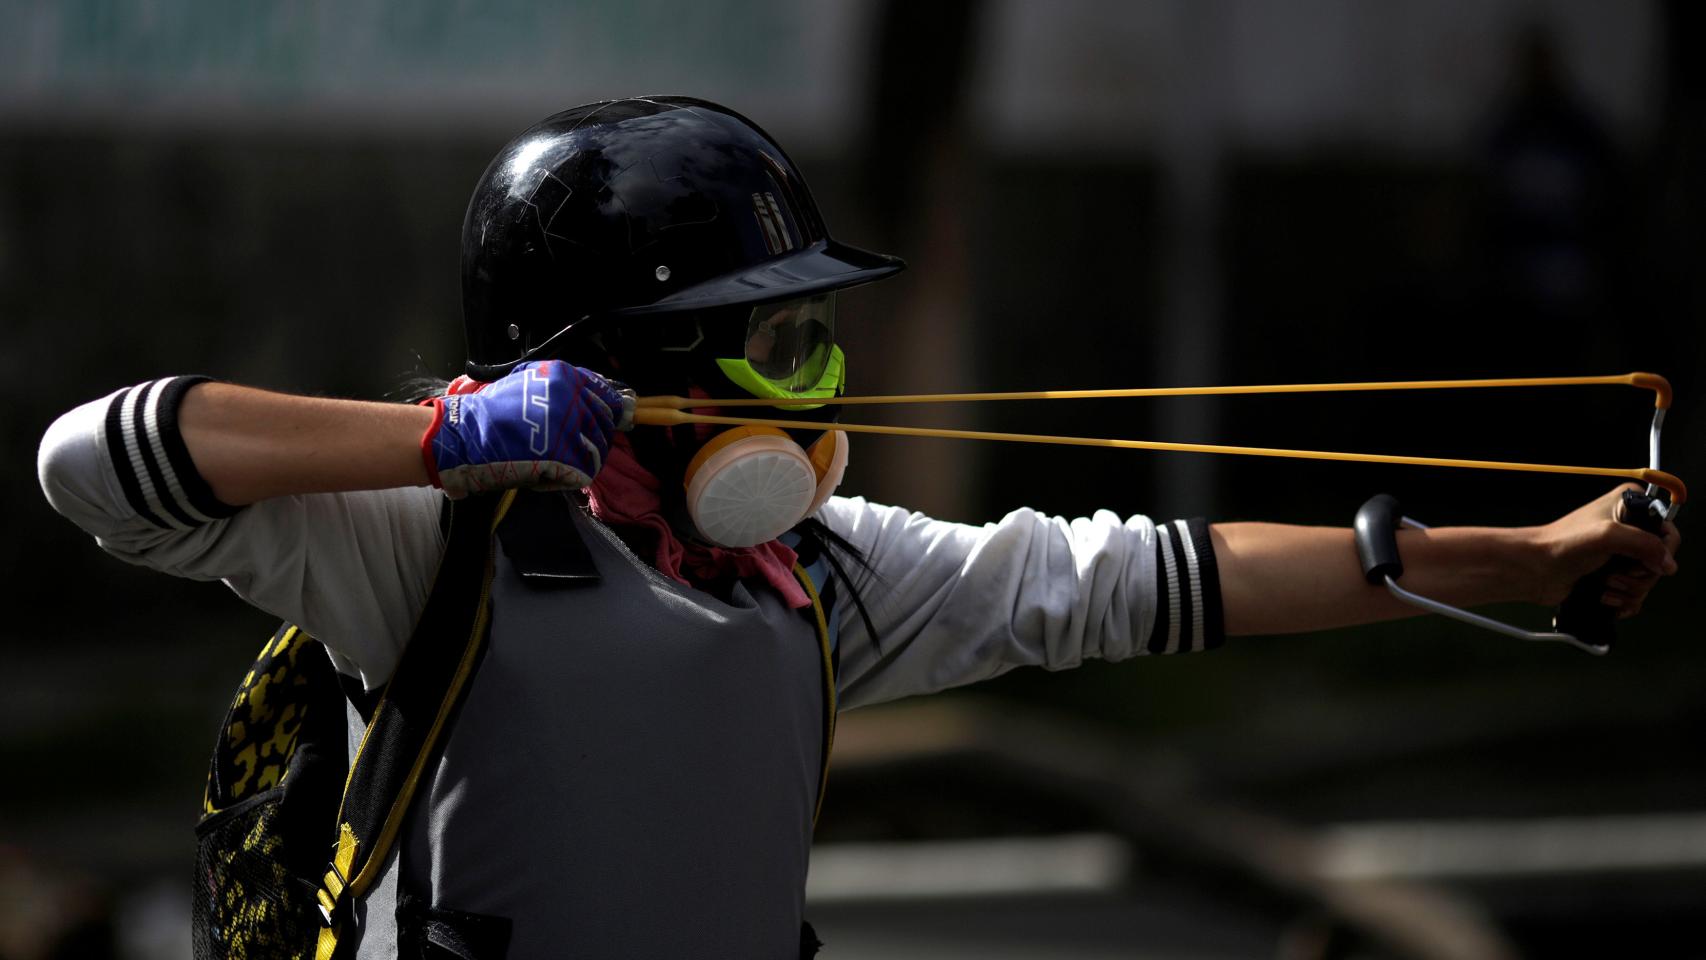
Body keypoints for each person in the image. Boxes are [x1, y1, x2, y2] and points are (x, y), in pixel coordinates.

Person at [36, 97, 1679, 959]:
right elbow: (95, 462)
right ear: (638, 364)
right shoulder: (425, 545)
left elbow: (1147, 583)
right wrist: (440, 437)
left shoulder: (812, 570)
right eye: (781, 341)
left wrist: (1522, 563)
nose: (826, 380)